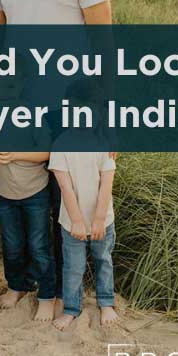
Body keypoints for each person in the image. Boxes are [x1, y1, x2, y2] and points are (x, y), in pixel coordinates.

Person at [0, 0, 112, 304]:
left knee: (69, 199)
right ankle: (26, 284)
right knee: (26, 205)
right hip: (22, 105)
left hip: (74, 103)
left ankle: (66, 291)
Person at [0, 68, 56, 321]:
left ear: (21, 86)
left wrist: (16, 154)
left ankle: (46, 295)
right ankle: (16, 287)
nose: (3, 93)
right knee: (12, 246)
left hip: (35, 191)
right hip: (6, 193)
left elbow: (47, 152)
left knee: (39, 245)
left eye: (10, 88)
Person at [47, 79, 119, 329]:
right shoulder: (60, 146)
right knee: (74, 267)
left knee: (103, 261)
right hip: (71, 223)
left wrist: (98, 218)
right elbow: (65, 186)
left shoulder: (104, 147)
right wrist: (77, 220)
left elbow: (106, 184)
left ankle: (106, 302)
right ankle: (71, 308)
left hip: (103, 220)